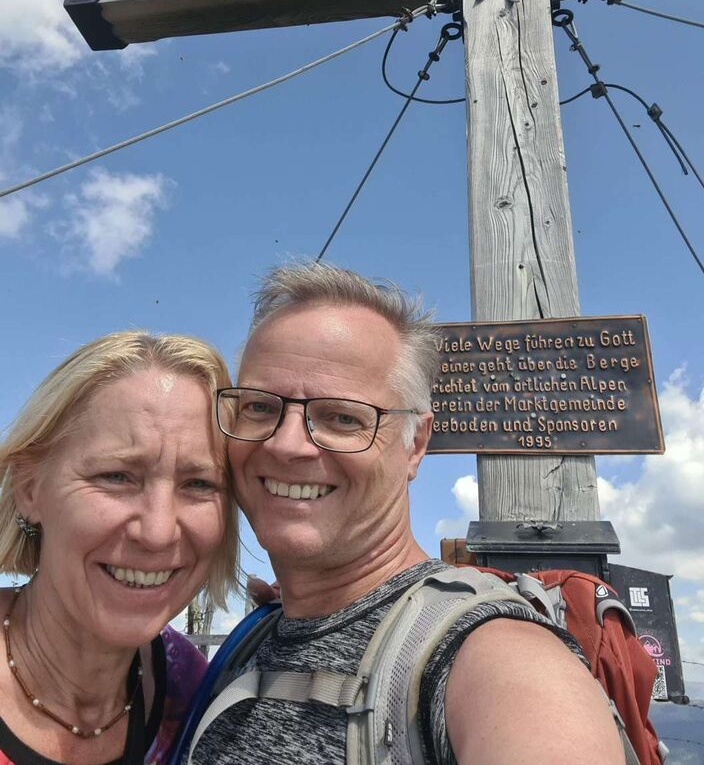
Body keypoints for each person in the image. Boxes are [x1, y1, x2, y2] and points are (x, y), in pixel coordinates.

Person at [188, 261, 625, 765]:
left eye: (343, 417)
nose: (287, 445)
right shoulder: (255, 639)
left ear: (415, 444)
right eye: (260, 407)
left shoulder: (496, 658)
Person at [0, 330, 240, 765]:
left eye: (199, 484)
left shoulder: (193, 693)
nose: (158, 532)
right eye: (116, 476)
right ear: (29, 488)